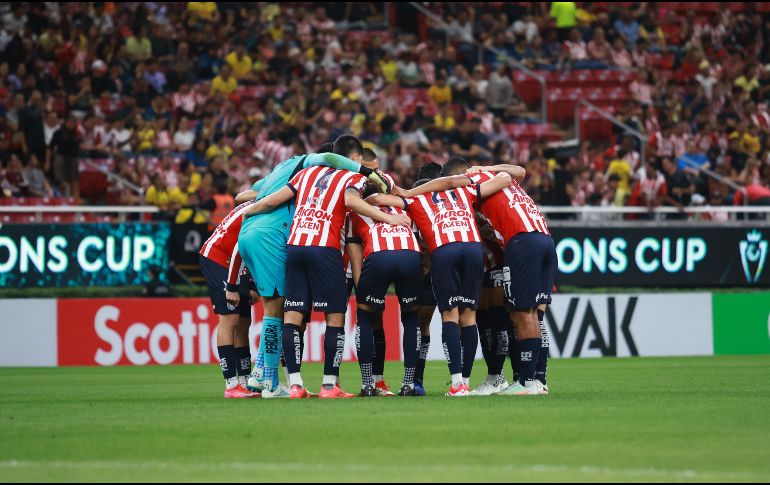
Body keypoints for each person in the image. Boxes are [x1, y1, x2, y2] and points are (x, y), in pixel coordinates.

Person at [240, 137, 409, 399]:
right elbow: (352, 202)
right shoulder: (350, 178)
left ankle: (295, 385)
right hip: (325, 247)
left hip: (296, 246)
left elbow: (273, 200)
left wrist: (251, 211)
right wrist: (391, 217)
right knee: (334, 316)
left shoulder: (306, 174)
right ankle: (330, 385)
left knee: (293, 315)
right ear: (354, 160)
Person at [367, 157, 512, 397]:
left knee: (450, 315)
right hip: (473, 249)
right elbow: (505, 178)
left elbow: (376, 200)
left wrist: (401, 191)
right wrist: (484, 170)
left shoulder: (415, 198)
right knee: (469, 316)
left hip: (445, 248)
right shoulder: (464, 191)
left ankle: (457, 384)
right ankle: (465, 382)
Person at [346, 161, 423, 397]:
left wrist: (362, 292)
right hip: (411, 256)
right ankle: (409, 383)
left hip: (378, 257)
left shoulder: (356, 213)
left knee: (366, 319)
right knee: (411, 319)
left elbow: (355, 255)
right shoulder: (403, 209)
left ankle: (368, 383)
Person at [199, 200, 261, 399]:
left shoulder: (261, 201)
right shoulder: (262, 209)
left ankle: (244, 380)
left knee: (244, 321)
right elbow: (240, 248)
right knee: (230, 319)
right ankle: (231, 384)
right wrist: (233, 286)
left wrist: (250, 284)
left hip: (235, 262)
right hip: (218, 258)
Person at [47, 116, 81, 199]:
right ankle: (63, 201)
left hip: (73, 159)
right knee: (63, 183)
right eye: (69, 122)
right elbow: (50, 148)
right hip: (61, 159)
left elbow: (79, 147)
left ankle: (76, 203)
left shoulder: (77, 134)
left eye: (73, 123)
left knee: (75, 183)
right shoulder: (58, 133)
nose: (71, 124)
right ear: (66, 122)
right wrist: (47, 162)